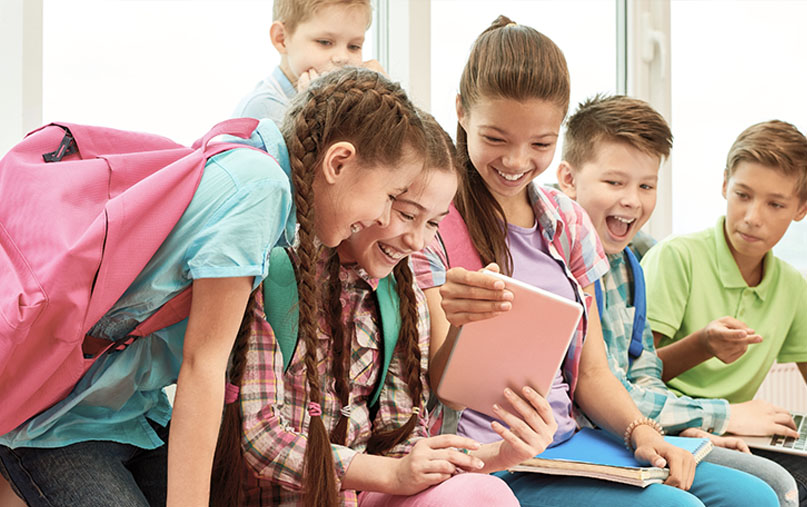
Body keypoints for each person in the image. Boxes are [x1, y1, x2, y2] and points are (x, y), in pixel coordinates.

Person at [0, 67, 429, 507]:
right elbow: (202, 366)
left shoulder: (248, 151)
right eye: (391, 195)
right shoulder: (261, 190)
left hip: (132, 415)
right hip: (56, 423)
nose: (382, 215)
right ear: (339, 162)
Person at [411, 16, 778, 506]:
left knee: (755, 497)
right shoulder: (433, 223)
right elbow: (445, 390)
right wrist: (464, 324)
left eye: (540, 144)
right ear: (460, 113)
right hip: (495, 460)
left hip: (574, 444)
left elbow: (593, 372)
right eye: (496, 139)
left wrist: (641, 433)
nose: (517, 161)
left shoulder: (566, 221)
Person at [211, 115, 520, 507]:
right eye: (407, 214)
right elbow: (260, 437)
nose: (416, 240)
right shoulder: (274, 275)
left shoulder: (401, 297)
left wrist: (499, 456)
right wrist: (389, 474)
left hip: (359, 498)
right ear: (378, 195)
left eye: (434, 224)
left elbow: (400, 439)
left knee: (484, 494)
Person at [557, 94, 799, 506]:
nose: (632, 199)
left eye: (646, 186)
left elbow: (642, 373)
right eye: (615, 182)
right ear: (568, 179)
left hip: (647, 428)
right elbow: (598, 387)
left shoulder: (628, 264)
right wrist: (722, 414)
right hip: (594, 437)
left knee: (765, 492)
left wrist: (685, 429)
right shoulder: (561, 261)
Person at [642, 119, 807, 504]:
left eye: (775, 204)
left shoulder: (793, 286)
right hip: (667, 428)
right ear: (724, 185)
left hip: (742, 433)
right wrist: (702, 345)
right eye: (743, 195)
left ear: (801, 208)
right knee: (788, 488)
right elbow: (630, 380)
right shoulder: (676, 257)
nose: (752, 216)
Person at [232, 0, 383, 124]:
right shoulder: (264, 110)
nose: (343, 57)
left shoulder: (345, 100)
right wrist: (312, 110)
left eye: (354, 46)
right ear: (282, 39)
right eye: (325, 42)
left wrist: (383, 99)